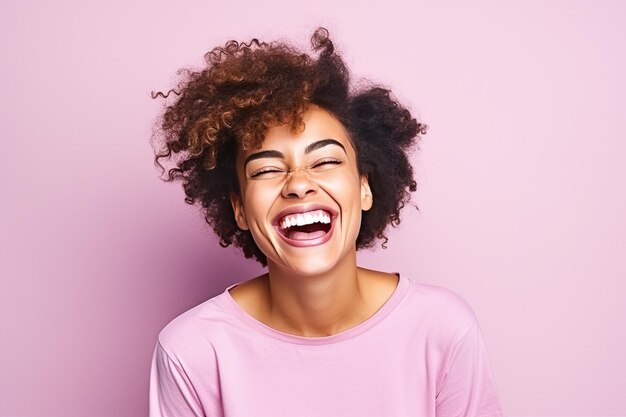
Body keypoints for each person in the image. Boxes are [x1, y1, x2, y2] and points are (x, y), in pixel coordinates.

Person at [149, 27, 503, 417]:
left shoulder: (442, 329)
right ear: (239, 209)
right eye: (267, 169)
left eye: (326, 161)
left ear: (365, 187)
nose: (299, 184)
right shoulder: (193, 351)